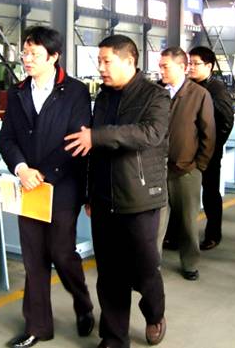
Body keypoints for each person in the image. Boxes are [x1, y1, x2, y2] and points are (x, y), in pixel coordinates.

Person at [65, 35, 169, 348]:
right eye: (99, 61)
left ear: (129, 60)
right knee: (109, 273)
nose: (101, 68)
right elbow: (92, 151)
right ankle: (114, 338)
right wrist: (89, 194)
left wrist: (97, 136)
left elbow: (149, 133)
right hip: (104, 199)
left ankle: (155, 313)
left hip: (139, 198)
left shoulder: (155, 95)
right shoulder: (104, 97)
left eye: (106, 61)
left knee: (145, 269)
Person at [0, 26, 94, 348]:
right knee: (34, 259)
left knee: (62, 253)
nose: (27, 59)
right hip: (29, 187)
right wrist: (22, 169)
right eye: (24, 53)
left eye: (34, 54)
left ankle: (83, 303)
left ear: (53, 57)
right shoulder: (17, 92)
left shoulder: (75, 92)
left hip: (64, 186)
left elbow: (76, 141)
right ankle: (37, 326)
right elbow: (7, 138)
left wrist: (44, 174)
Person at [158, 46, 216, 281]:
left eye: (165, 67)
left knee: (188, 222)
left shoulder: (199, 95)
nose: (161, 71)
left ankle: (190, 264)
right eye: (160, 66)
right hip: (158, 170)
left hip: (187, 171)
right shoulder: (157, 93)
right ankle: (150, 268)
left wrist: (198, 165)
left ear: (182, 67)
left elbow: (208, 134)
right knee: (155, 224)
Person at [188, 46, 234, 250]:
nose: (191, 67)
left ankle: (213, 234)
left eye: (196, 63)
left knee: (210, 194)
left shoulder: (216, 89)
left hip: (209, 152)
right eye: (189, 63)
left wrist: (212, 148)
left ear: (209, 66)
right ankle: (178, 235)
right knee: (184, 196)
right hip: (188, 152)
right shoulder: (188, 86)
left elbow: (226, 121)